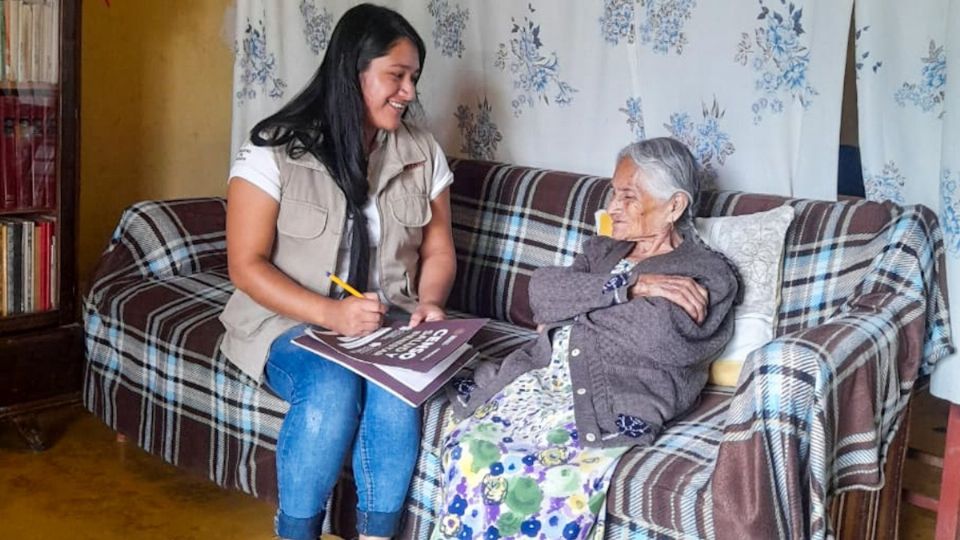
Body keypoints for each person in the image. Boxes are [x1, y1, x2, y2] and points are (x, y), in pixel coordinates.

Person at [219, 5, 456, 540]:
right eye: (396, 75)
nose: (409, 91)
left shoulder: (423, 151)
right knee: (331, 386)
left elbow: (439, 250)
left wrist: (429, 302)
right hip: (284, 322)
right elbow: (245, 264)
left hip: (384, 323)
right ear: (353, 71)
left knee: (398, 390)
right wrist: (331, 314)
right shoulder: (273, 149)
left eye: (414, 77)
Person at [435, 138, 740, 540]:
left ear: (675, 206)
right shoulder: (607, 251)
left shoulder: (708, 273)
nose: (612, 207)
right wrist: (631, 285)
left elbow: (661, 336)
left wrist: (578, 306)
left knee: (555, 480)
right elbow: (542, 292)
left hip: (614, 400)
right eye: (614, 192)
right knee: (468, 446)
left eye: (627, 196)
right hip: (542, 381)